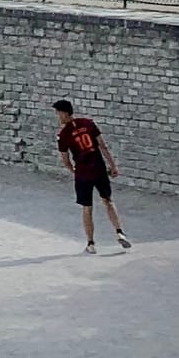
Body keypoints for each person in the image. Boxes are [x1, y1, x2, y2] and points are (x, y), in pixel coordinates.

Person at [53, 100, 131, 253]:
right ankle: (119, 232)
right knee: (108, 200)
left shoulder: (63, 134)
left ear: (64, 113)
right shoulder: (88, 123)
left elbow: (65, 159)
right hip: (99, 169)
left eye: (57, 113)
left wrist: (74, 171)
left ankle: (91, 243)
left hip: (83, 173)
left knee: (87, 208)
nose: (57, 116)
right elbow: (103, 145)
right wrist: (113, 165)